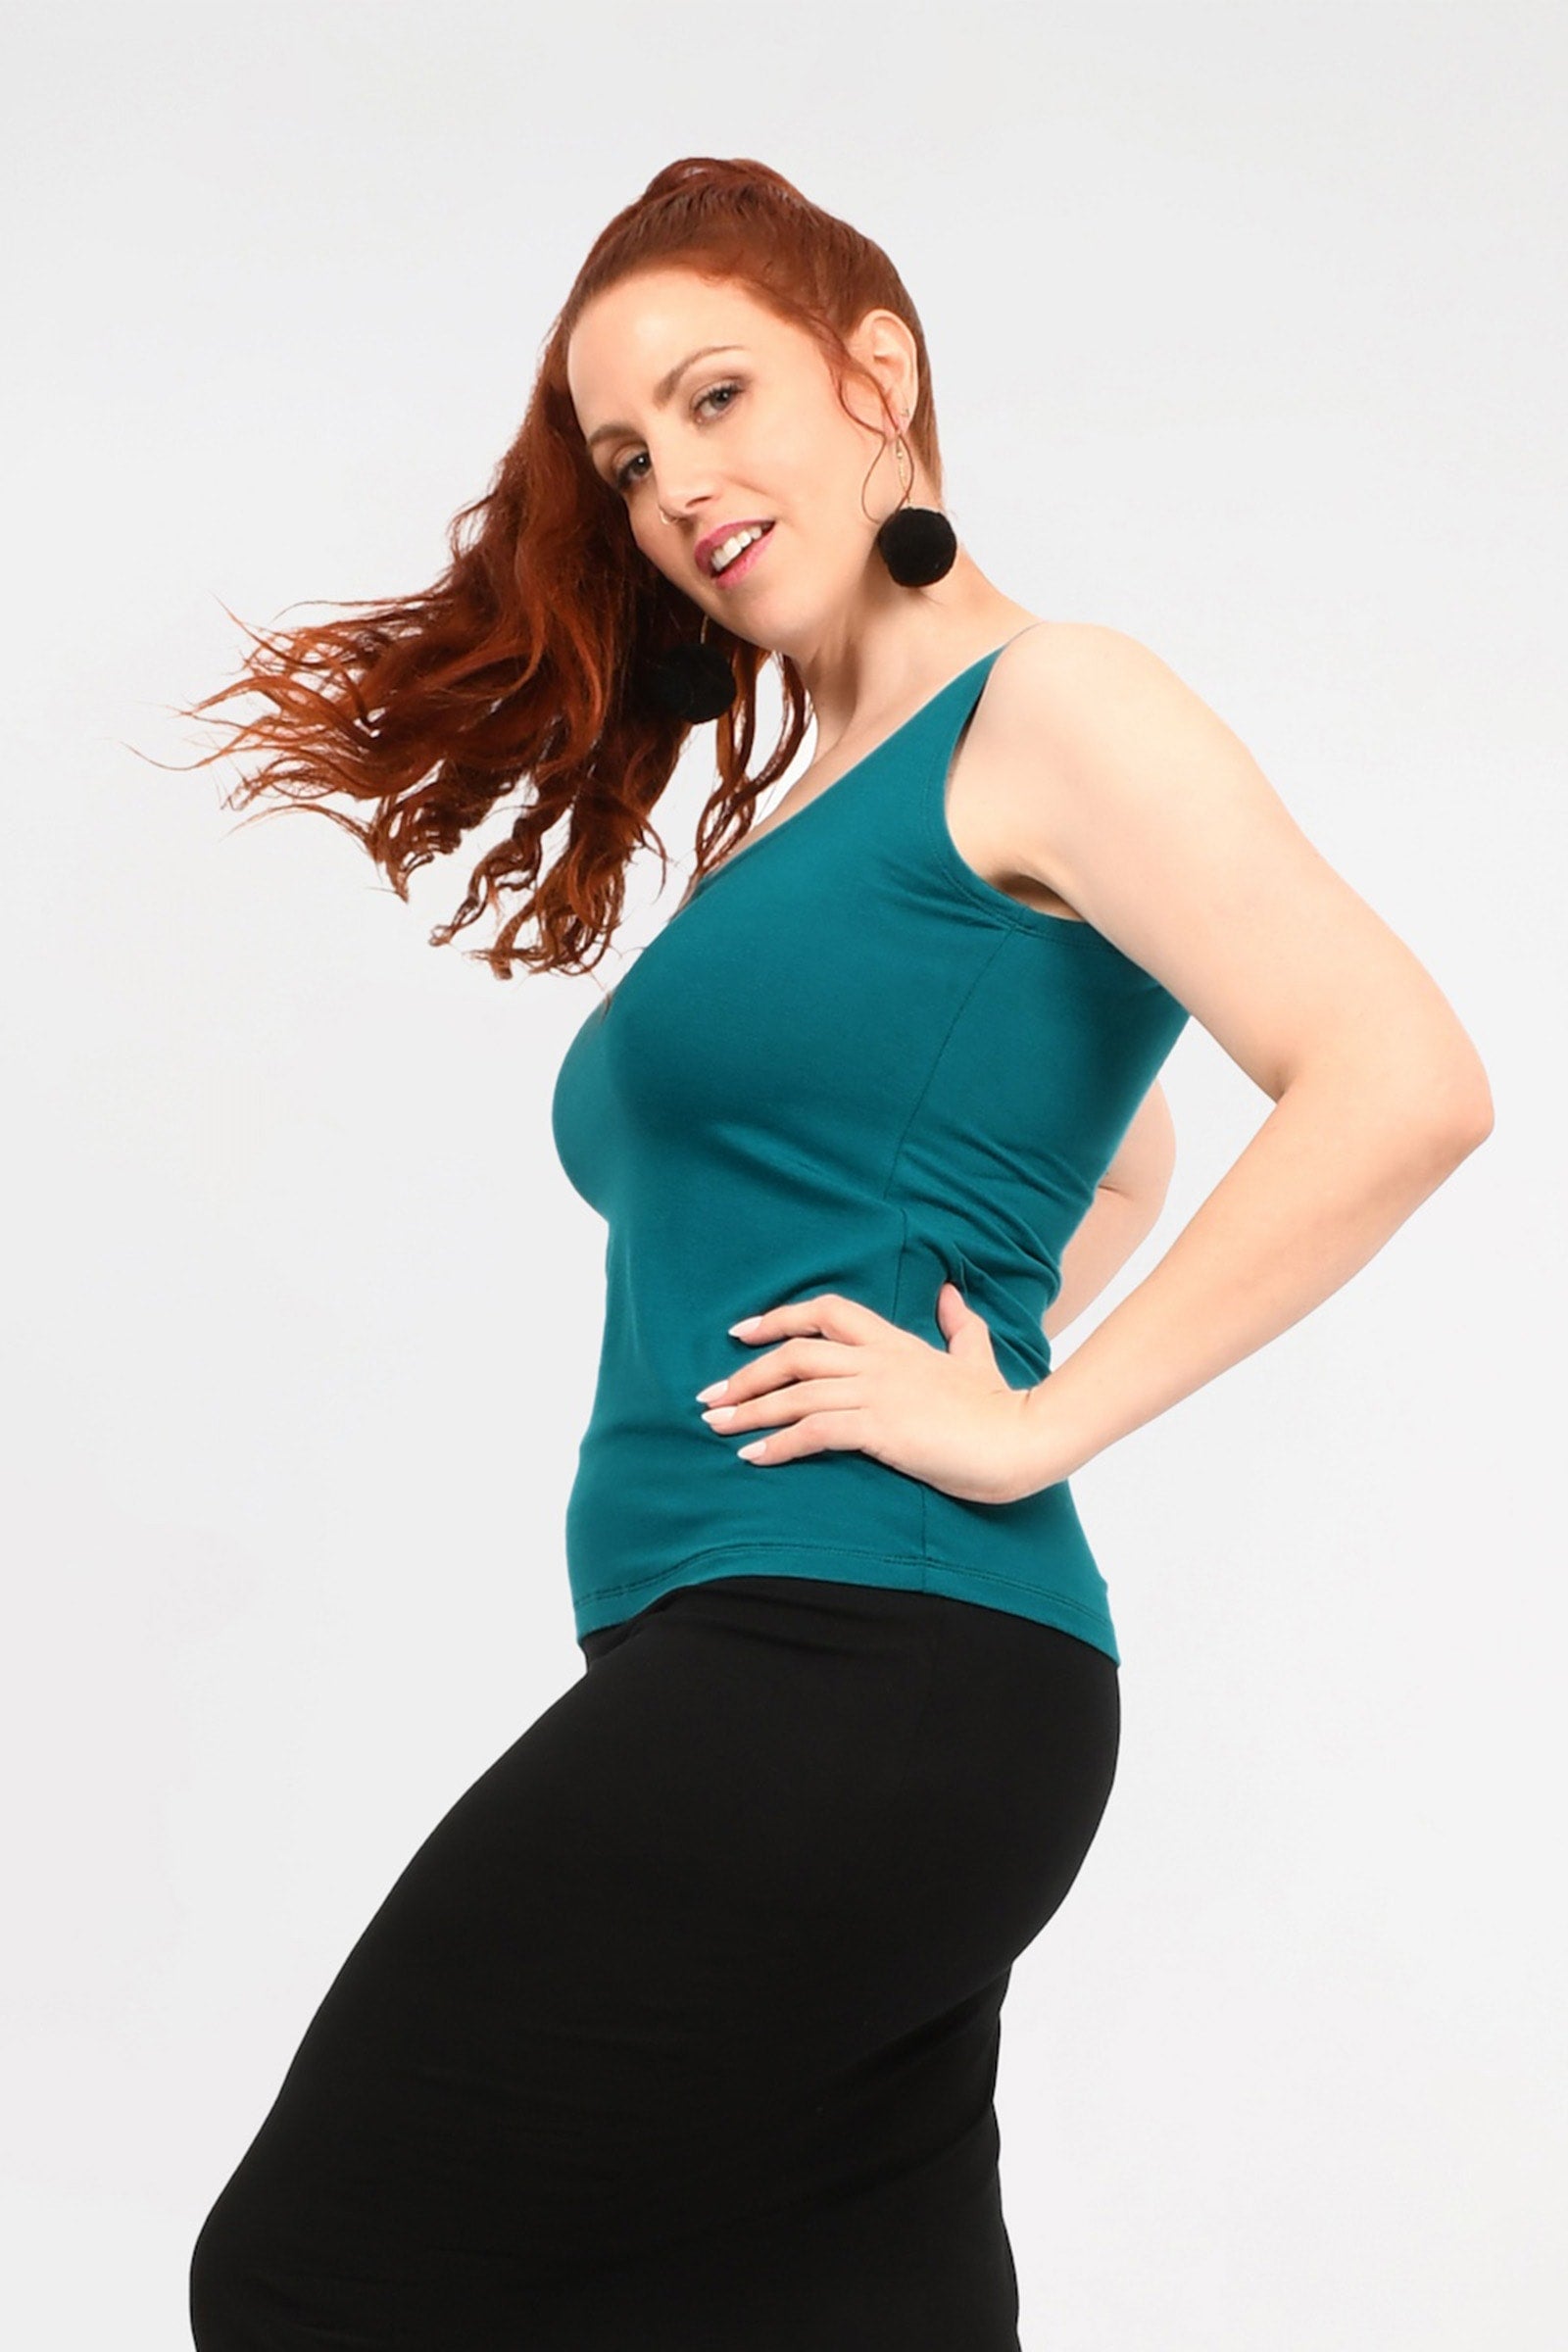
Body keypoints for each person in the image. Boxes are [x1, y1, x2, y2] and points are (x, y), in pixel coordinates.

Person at [182, 157, 1493, 2351]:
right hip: (827, 1674)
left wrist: (1029, 1420)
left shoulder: (1054, 707)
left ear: (876, 374)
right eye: (626, 459)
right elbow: (1116, 1151)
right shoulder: (833, 800)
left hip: (850, 1663)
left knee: (318, 2279)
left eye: (716, 399)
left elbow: (1400, 1076)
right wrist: (993, 1314)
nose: (675, 486)